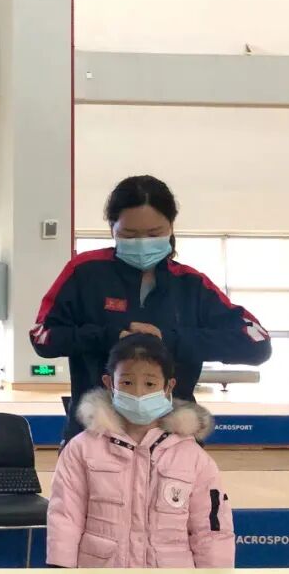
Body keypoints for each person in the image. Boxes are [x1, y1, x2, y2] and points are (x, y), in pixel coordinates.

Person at [31, 175, 270, 444]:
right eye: (130, 235)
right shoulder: (84, 273)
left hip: (173, 442)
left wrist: (170, 339)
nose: (143, 242)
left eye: (154, 234)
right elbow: (42, 337)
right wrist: (109, 336)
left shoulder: (191, 284)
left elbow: (257, 345)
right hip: (93, 437)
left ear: (171, 228)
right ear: (112, 229)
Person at [47, 334, 234, 568]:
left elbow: (211, 529)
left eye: (150, 384)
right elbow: (65, 517)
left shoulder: (193, 457)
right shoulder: (82, 449)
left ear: (168, 386)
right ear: (109, 384)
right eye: (126, 383)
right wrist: (60, 569)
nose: (138, 393)